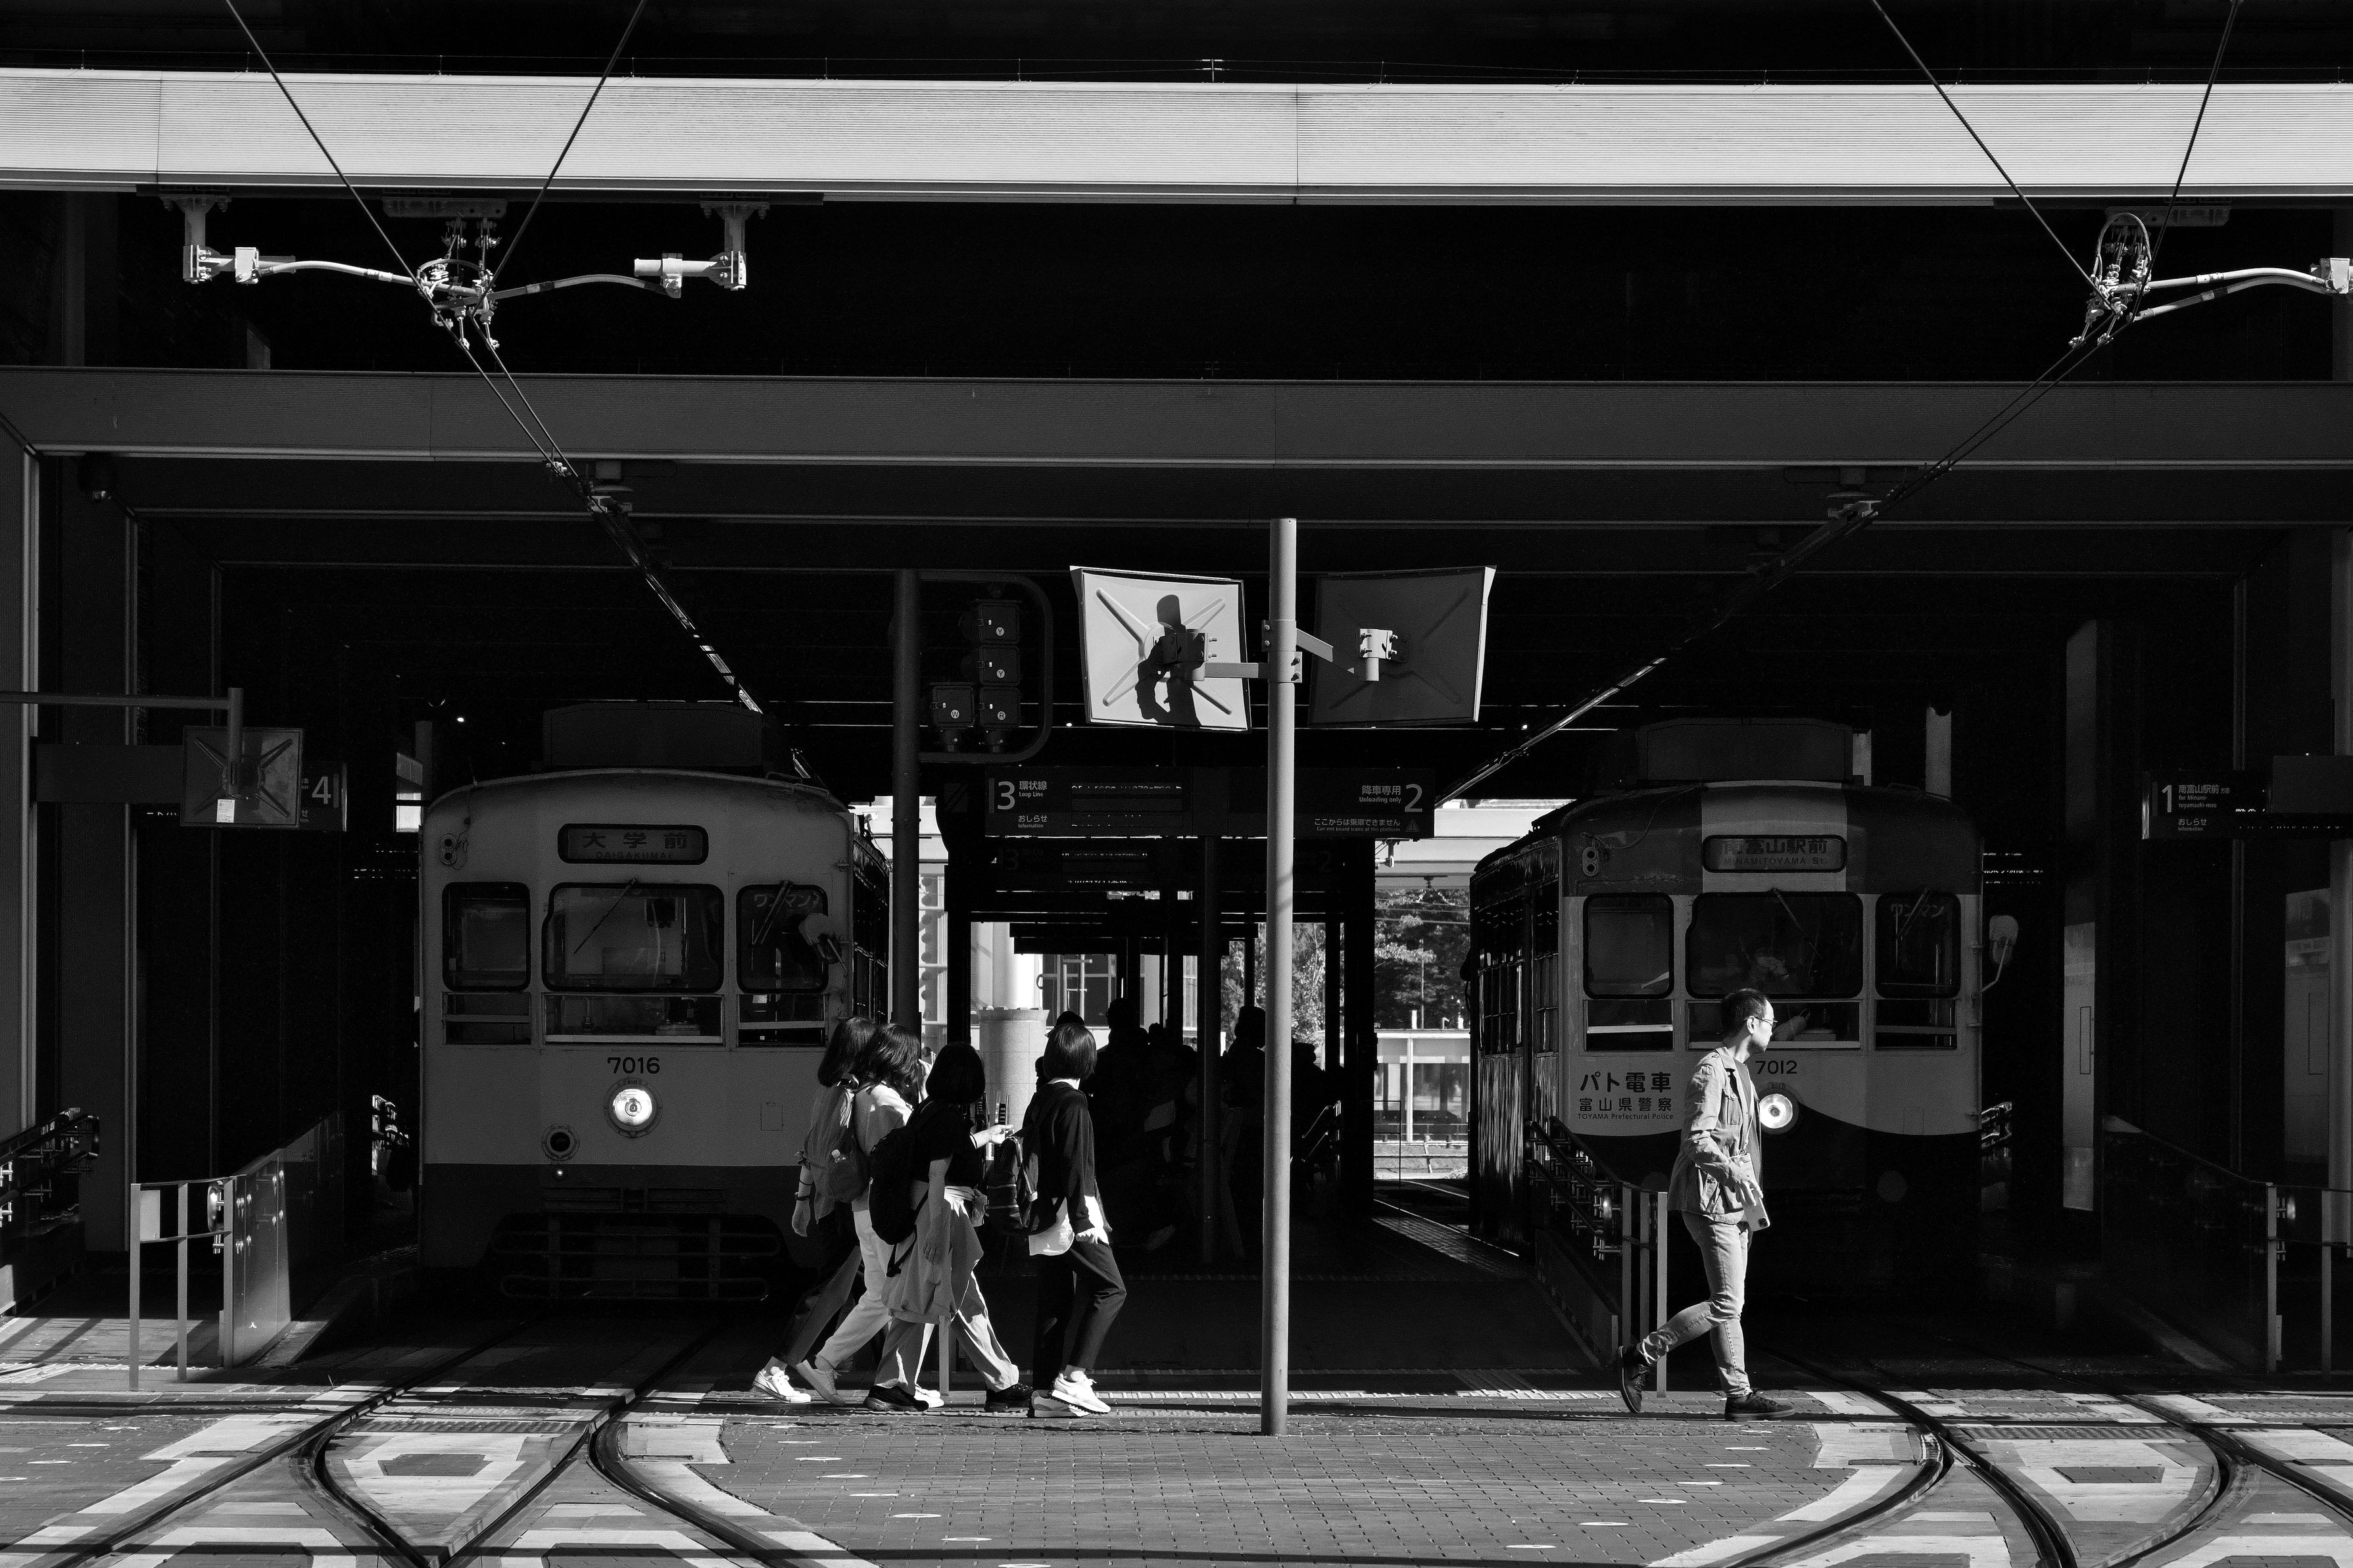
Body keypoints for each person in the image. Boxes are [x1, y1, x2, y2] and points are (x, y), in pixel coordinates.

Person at [1613, 987, 1795, 1421]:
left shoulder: (1741, 1072)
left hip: (1737, 1203)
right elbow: (1696, 1140)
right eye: (1771, 1022)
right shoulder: (1712, 1071)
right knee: (1728, 1303)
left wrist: (1749, 1192)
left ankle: (1739, 1395)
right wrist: (1735, 1175)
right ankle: (1640, 1355)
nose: (1774, 1030)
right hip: (1712, 1200)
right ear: (1751, 1023)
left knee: (1729, 1302)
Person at [874, 1040, 1031, 1413]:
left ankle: (1000, 1380)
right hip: (942, 1212)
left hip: (930, 1210)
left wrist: (984, 1137)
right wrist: (936, 1231)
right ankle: (890, 1384)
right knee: (923, 1299)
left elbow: (941, 1157)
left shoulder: (928, 1111)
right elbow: (938, 1173)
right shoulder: (946, 1118)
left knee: (957, 1299)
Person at [791, 1024, 936, 1409]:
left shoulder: (859, 1094)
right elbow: (917, 1148)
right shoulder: (885, 1101)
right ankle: (897, 1382)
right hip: (886, 1213)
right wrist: (925, 1093)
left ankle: (827, 1363)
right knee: (906, 1296)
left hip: (863, 1210)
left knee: (879, 1296)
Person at [753, 1016, 874, 1402]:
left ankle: (842, 1366)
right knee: (833, 1290)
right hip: (848, 1203)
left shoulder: (828, 1092)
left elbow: (810, 1151)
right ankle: (777, 1368)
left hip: (827, 1201)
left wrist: (802, 1201)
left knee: (863, 1291)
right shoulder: (855, 1093)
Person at [1025, 1017, 1127, 1418]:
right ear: (1087, 1061)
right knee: (1111, 1289)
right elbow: (1077, 1166)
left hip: (1041, 1214)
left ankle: (1043, 1392)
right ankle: (1075, 1375)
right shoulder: (1075, 1103)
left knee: (1054, 1303)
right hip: (1068, 1217)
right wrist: (1085, 1219)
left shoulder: (1040, 1099)